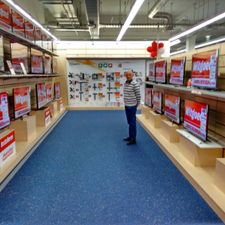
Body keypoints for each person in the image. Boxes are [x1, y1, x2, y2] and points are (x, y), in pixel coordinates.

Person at [123, 71, 141, 145]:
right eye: (127, 75)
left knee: (132, 123)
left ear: (132, 75)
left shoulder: (135, 84)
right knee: (129, 122)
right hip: (127, 105)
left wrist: (136, 105)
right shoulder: (125, 83)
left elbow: (138, 96)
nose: (128, 76)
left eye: (129, 75)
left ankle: (133, 139)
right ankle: (130, 136)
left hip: (132, 106)